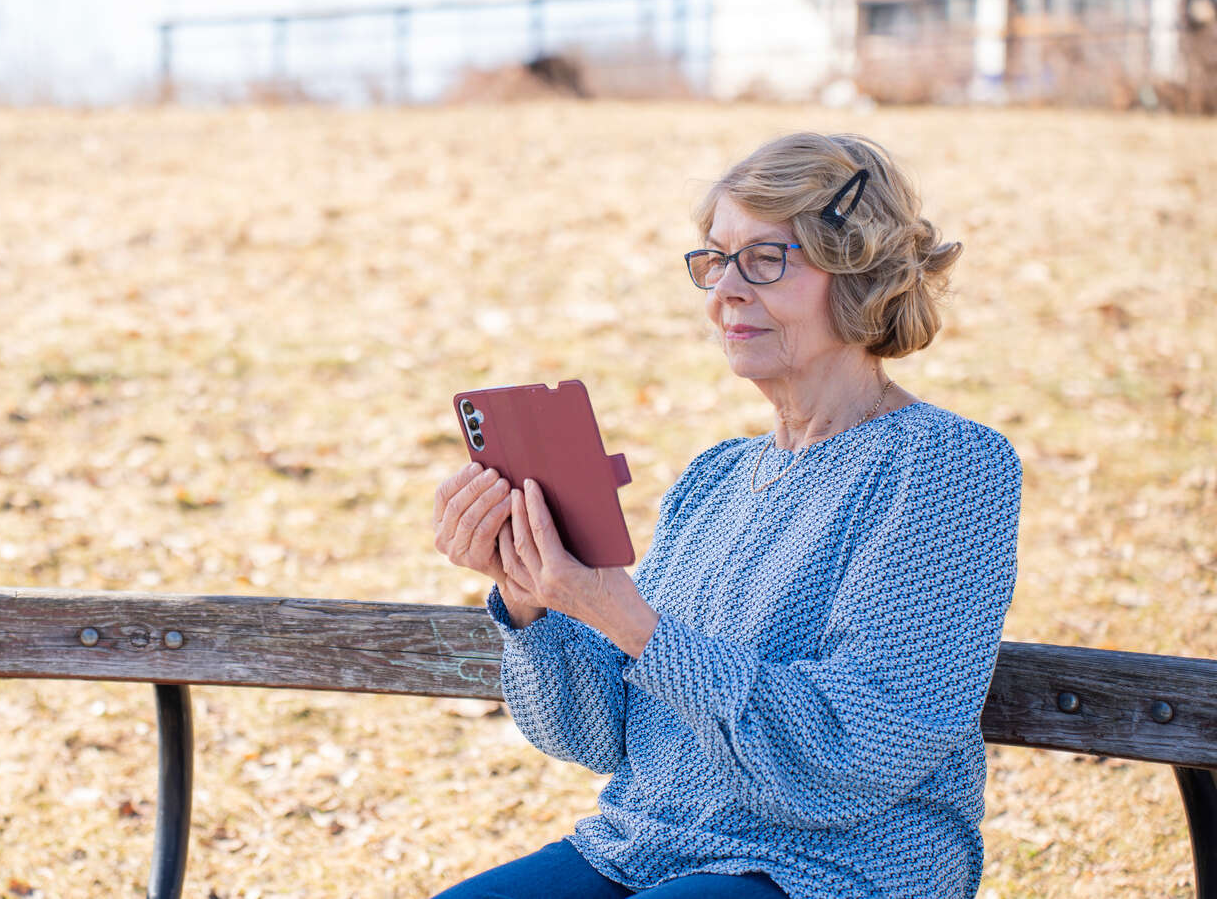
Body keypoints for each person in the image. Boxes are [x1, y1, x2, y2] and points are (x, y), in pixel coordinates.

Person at [428, 132, 1021, 899]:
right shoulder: (715, 477)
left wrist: (634, 623)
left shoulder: (945, 466)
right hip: (644, 847)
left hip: (839, 869)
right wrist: (534, 600)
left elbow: (855, 751)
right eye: (715, 259)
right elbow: (601, 737)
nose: (725, 292)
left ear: (861, 271)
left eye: (766, 259)